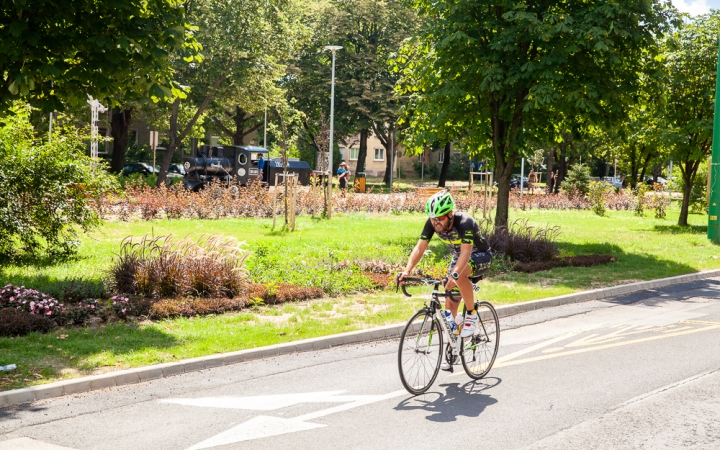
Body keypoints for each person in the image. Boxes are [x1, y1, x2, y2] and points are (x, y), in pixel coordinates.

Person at [397, 190, 492, 370]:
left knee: (460, 275)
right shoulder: (432, 223)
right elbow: (420, 247)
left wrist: (454, 276)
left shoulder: (465, 222)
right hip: (459, 258)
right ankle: (456, 347)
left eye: (439, 218)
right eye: (432, 219)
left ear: (449, 214)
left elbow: (466, 253)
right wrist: (407, 270)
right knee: (449, 307)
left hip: (480, 255)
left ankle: (471, 315)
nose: (435, 222)